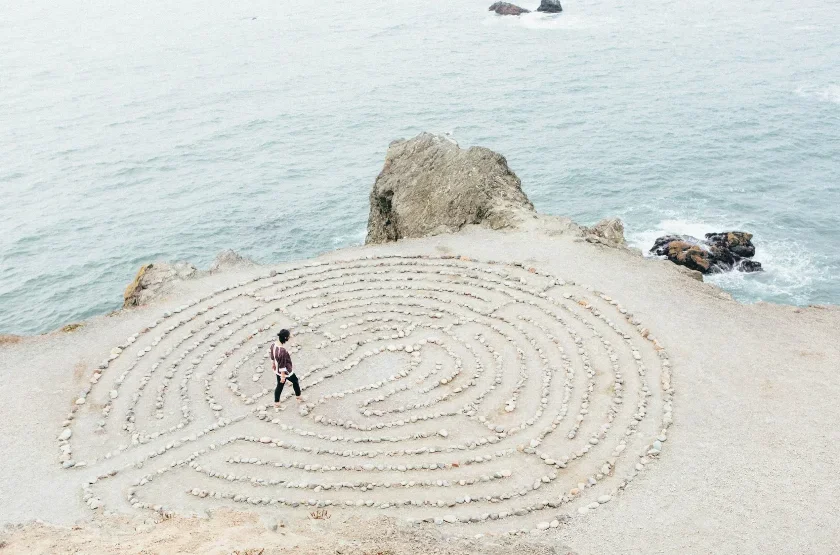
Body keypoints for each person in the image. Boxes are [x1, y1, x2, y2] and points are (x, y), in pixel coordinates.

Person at [269, 329, 302, 408]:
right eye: (288, 337)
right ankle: (298, 396)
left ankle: (277, 402)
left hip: (277, 369)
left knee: (279, 386)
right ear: (285, 338)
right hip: (285, 371)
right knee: (295, 381)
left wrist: (273, 363)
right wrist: (283, 376)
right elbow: (283, 364)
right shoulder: (282, 351)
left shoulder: (273, 344)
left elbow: (272, 355)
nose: (289, 338)